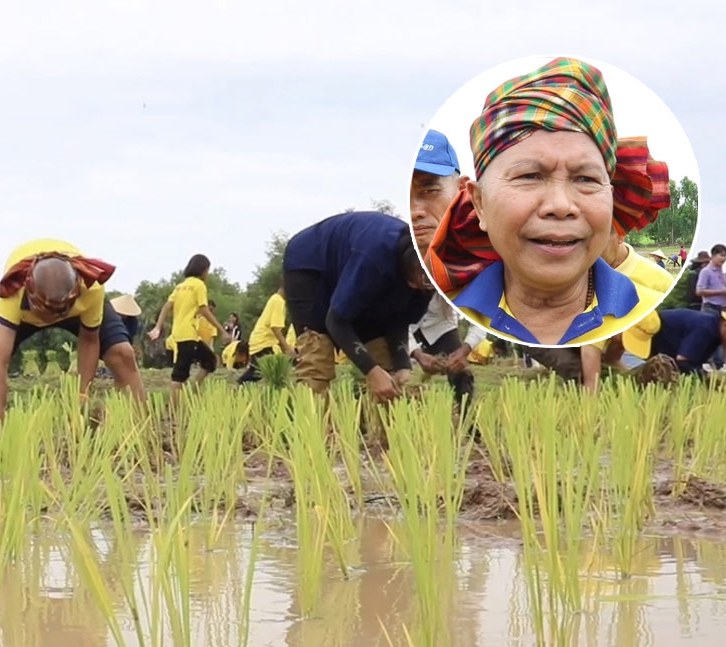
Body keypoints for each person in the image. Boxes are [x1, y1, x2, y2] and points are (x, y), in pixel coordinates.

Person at [423, 57, 667, 346]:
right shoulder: (455, 303)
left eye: (586, 179)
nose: (561, 205)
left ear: (611, 198)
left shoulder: (648, 309)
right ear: (479, 204)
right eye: (530, 176)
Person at [0, 239, 147, 432]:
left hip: (73, 308)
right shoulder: (14, 289)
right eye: (46, 314)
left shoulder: (90, 287)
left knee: (122, 353)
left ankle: (137, 431)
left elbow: (90, 340)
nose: (52, 320)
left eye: (56, 314)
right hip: (27, 309)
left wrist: (82, 394)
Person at [282, 211, 434, 400]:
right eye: (421, 279)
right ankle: (315, 425)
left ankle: (375, 427)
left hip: (357, 274)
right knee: (317, 355)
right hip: (312, 266)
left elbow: (398, 321)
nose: (424, 287)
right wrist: (371, 372)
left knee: (385, 363)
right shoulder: (375, 258)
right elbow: (336, 320)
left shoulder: (430, 282)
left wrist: (402, 365)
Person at [410, 128, 486, 408]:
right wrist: (416, 354)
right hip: (398, 328)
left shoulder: (477, 257)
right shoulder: (390, 255)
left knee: (462, 374)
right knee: (395, 378)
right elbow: (385, 317)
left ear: (461, 191)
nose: (416, 210)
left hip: (438, 325)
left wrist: (464, 350)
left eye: (430, 190)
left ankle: (467, 424)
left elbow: (481, 318)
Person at [148, 254, 227, 401]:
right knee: (180, 374)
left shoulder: (180, 286)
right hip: (188, 334)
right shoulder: (199, 285)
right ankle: (176, 408)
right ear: (203, 270)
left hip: (181, 333)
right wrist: (222, 330)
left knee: (210, 360)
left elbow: (166, 307)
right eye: (207, 270)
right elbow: (204, 310)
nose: (207, 274)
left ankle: (192, 393)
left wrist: (158, 327)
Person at [621, 305, 726, 377]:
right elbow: (682, 363)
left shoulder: (715, 329)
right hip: (640, 345)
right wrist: (709, 377)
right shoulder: (706, 330)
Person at [238, 286, 293, 384]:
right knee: (266, 373)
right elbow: (275, 328)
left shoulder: (275, 299)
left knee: (272, 373)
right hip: (263, 343)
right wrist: (288, 348)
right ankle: (240, 386)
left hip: (262, 342)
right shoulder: (279, 302)